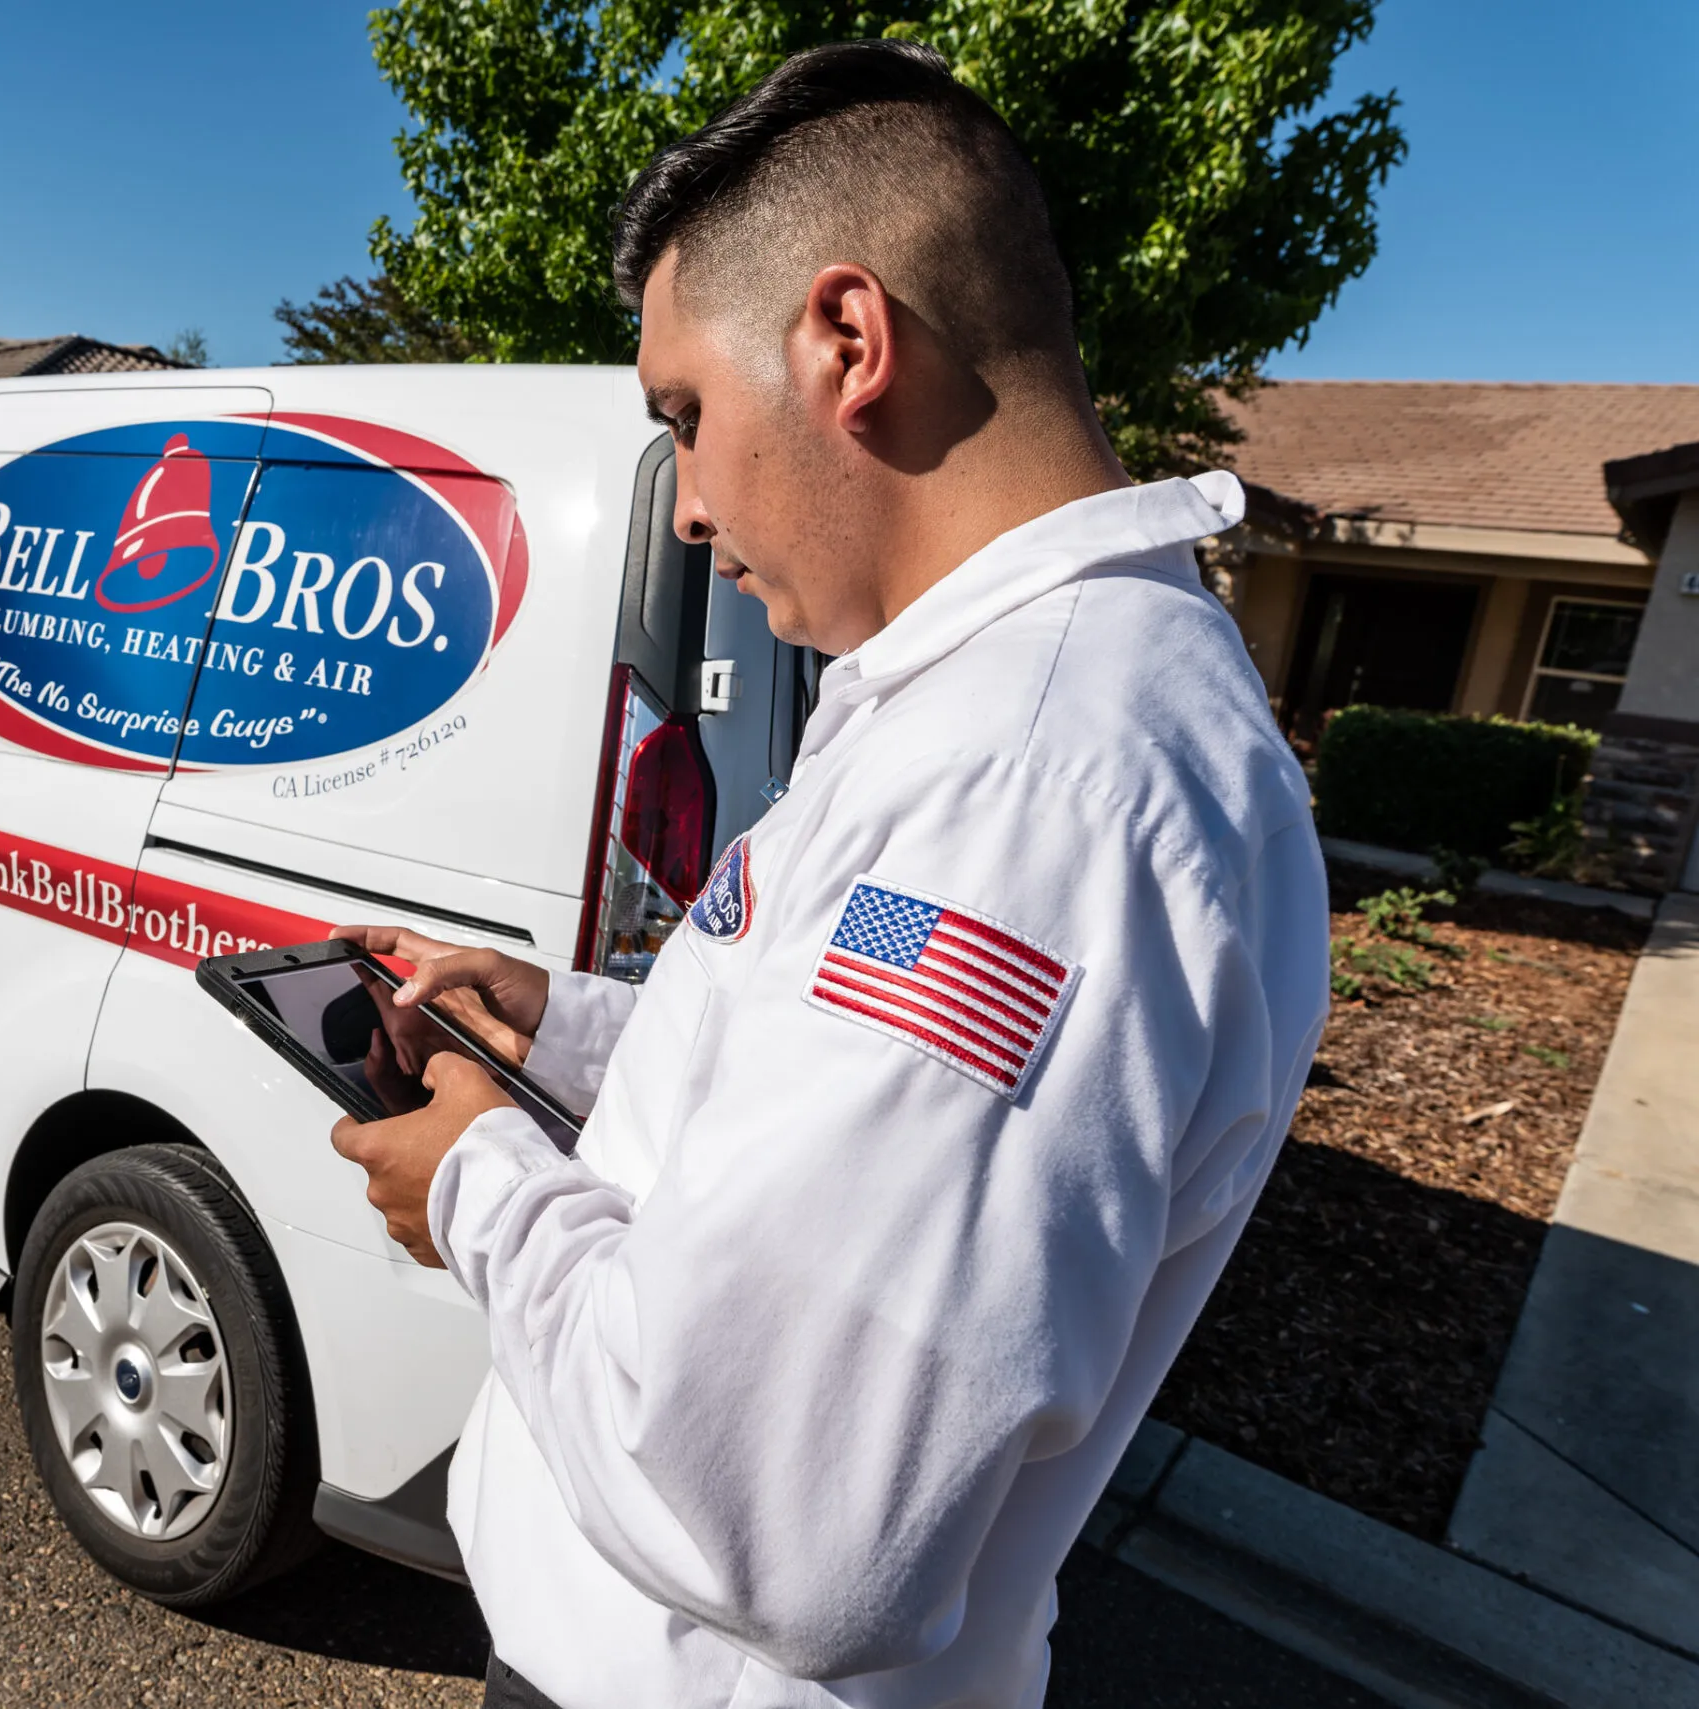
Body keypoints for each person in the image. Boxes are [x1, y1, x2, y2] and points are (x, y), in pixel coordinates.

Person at [327, 38, 1330, 1709]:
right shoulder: (979, 710)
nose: (694, 502)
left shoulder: (1031, 790)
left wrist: (482, 1182)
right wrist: (562, 1034)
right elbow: (804, 1076)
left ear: (850, 342)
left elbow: (777, 1518)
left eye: (688, 418)